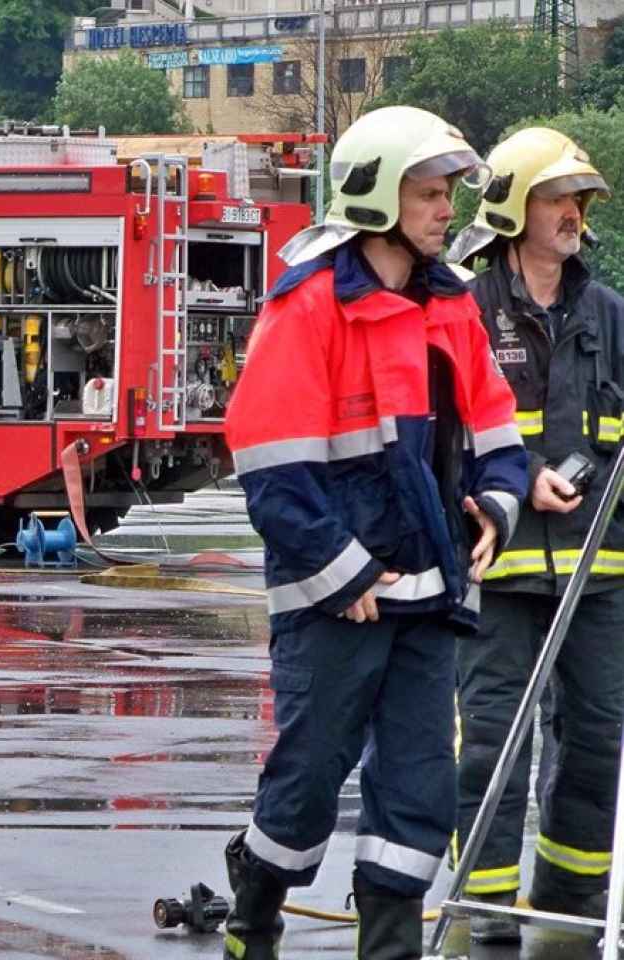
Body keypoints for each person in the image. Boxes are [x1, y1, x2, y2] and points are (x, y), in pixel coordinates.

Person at [218, 106, 529, 959]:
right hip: (335, 604)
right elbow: (271, 467)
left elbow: (499, 435)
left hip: (430, 600)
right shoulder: (310, 307)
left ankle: (388, 949)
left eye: (447, 194)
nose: (446, 211)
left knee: (419, 789)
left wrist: (496, 508)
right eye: (430, 194)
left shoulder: (451, 308)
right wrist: (346, 573)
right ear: (377, 199)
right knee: (309, 784)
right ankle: (254, 917)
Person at [444, 127, 624, 939]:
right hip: (498, 564)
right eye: (558, 199)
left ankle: (571, 897)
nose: (573, 215)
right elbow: (440, 434)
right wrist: (520, 475)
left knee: (594, 733)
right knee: (491, 738)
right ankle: (486, 903)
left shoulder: (609, 314)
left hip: (599, 567)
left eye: (580, 201)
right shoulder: (464, 311)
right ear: (516, 209)